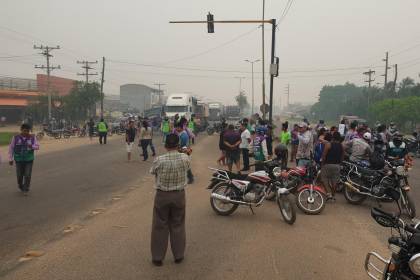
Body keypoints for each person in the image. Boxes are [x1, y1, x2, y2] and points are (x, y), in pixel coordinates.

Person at [150, 133, 191, 266]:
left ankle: (157, 257)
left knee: (159, 225)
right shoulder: (185, 158)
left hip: (162, 195)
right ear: (178, 145)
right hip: (179, 195)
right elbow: (188, 167)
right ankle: (178, 255)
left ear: (165, 144)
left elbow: (153, 171)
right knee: (177, 224)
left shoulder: (159, 159)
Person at [8, 123, 40, 195]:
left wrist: (31, 146)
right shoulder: (15, 138)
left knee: (27, 174)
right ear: (21, 130)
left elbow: (37, 146)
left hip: (29, 159)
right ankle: (20, 185)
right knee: (19, 175)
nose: (26, 133)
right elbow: (11, 148)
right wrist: (10, 159)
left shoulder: (32, 137)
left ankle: (26, 188)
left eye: (28, 131)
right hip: (18, 160)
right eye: (24, 131)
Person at [321, 132, 344, 200]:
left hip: (327, 165)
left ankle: (328, 193)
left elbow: (324, 155)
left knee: (324, 179)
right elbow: (342, 156)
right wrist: (340, 164)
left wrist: (322, 164)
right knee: (334, 181)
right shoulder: (341, 146)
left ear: (333, 137)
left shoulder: (328, 144)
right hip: (337, 166)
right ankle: (333, 195)